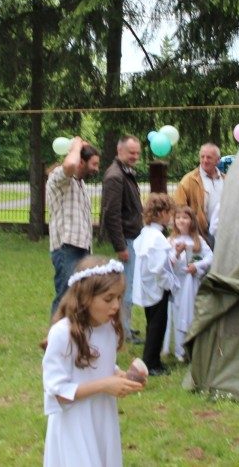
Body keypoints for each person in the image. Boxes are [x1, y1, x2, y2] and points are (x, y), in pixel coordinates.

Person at [43, 256, 144, 467]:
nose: (116, 305)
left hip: (102, 418)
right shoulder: (62, 334)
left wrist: (119, 375)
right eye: (108, 299)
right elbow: (58, 392)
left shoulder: (109, 329)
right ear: (85, 297)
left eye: (119, 297)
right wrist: (105, 385)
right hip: (75, 424)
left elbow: (100, 365)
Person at [46, 136, 101, 315]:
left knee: (80, 298)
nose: (97, 169)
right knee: (65, 297)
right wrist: (76, 145)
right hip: (66, 248)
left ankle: (73, 332)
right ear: (81, 162)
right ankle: (56, 333)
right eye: (94, 164)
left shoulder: (80, 184)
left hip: (82, 248)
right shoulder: (59, 177)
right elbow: (69, 165)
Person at [100, 134, 144, 343]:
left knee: (130, 285)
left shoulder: (125, 172)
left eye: (137, 153)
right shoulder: (115, 176)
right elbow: (111, 214)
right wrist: (120, 246)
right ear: (120, 151)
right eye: (131, 153)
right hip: (126, 240)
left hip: (132, 238)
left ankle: (126, 326)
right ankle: (122, 331)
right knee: (124, 287)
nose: (135, 156)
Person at [132, 193, 179, 376]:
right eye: (169, 213)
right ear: (160, 213)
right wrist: (169, 283)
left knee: (153, 324)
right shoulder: (157, 238)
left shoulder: (147, 233)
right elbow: (158, 268)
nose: (170, 217)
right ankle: (151, 363)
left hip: (148, 287)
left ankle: (154, 359)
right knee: (158, 325)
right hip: (157, 288)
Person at [163, 205, 213, 361]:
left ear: (192, 221)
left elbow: (210, 257)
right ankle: (179, 349)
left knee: (192, 312)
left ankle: (193, 346)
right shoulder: (170, 240)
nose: (181, 221)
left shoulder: (198, 241)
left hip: (192, 283)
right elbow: (167, 263)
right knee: (178, 313)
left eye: (185, 218)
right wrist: (177, 253)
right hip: (178, 284)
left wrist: (196, 266)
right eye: (178, 218)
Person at [173, 142, 225, 248]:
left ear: (218, 160)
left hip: (223, 232)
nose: (205, 160)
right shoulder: (188, 180)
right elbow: (179, 207)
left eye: (209, 157)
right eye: (202, 157)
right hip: (199, 233)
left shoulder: (226, 179)